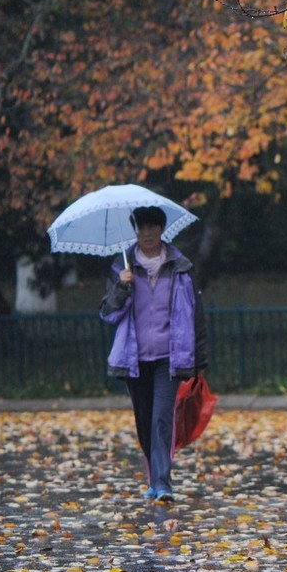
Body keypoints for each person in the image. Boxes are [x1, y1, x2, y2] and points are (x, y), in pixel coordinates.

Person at [100, 205, 207, 502]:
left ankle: (163, 484)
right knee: (144, 419)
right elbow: (108, 314)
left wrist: (200, 359)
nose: (147, 233)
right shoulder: (121, 268)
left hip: (168, 358)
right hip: (133, 359)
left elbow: (195, 313)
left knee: (162, 417)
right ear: (136, 231)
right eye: (141, 228)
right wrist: (121, 288)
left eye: (153, 227)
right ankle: (153, 476)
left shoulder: (181, 267)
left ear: (162, 230)